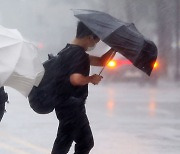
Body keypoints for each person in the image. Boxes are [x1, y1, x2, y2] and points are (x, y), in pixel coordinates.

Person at [51, 21, 116, 154]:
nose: (95, 44)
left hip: (65, 104)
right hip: (72, 106)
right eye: (95, 41)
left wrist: (114, 48)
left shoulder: (68, 50)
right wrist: (92, 79)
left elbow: (101, 61)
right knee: (85, 142)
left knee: (64, 143)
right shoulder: (78, 54)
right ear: (89, 37)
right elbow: (75, 79)